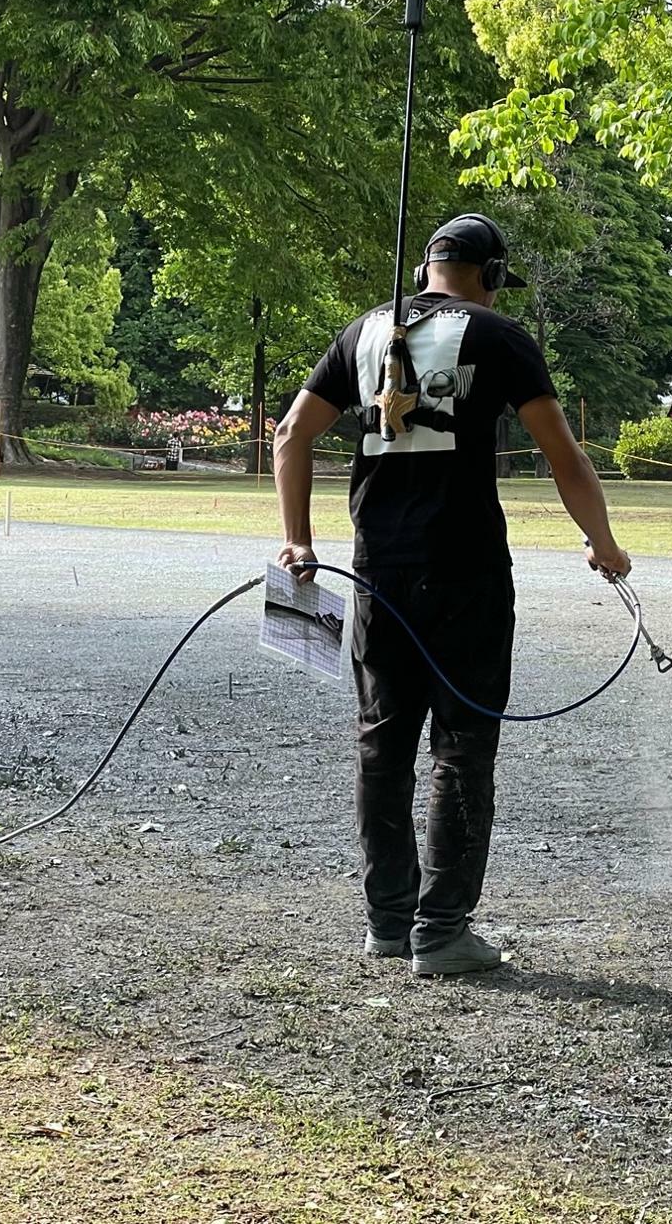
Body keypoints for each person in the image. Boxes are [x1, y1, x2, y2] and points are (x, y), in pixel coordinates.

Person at [272, 211, 632, 977]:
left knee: (383, 743)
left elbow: (290, 434)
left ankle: (386, 924)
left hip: (379, 575)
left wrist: (299, 540)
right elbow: (563, 456)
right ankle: (442, 931)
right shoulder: (500, 339)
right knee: (462, 746)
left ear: (426, 268)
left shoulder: (361, 334)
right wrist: (603, 544)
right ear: (492, 275)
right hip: (466, 574)